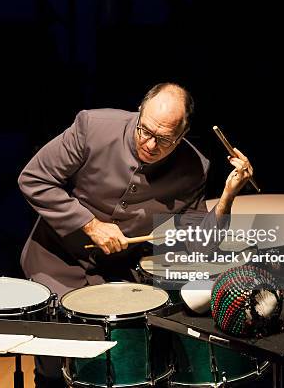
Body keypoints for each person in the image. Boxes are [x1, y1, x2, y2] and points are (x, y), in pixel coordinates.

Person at [17, 82, 254, 387]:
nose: (151, 145)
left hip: (115, 275)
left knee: (113, 368)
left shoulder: (194, 168)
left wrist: (227, 197)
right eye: (145, 131)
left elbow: (201, 246)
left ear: (182, 136)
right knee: (55, 364)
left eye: (165, 139)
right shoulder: (93, 126)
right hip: (55, 262)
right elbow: (34, 179)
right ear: (140, 111)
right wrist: (90, 224)